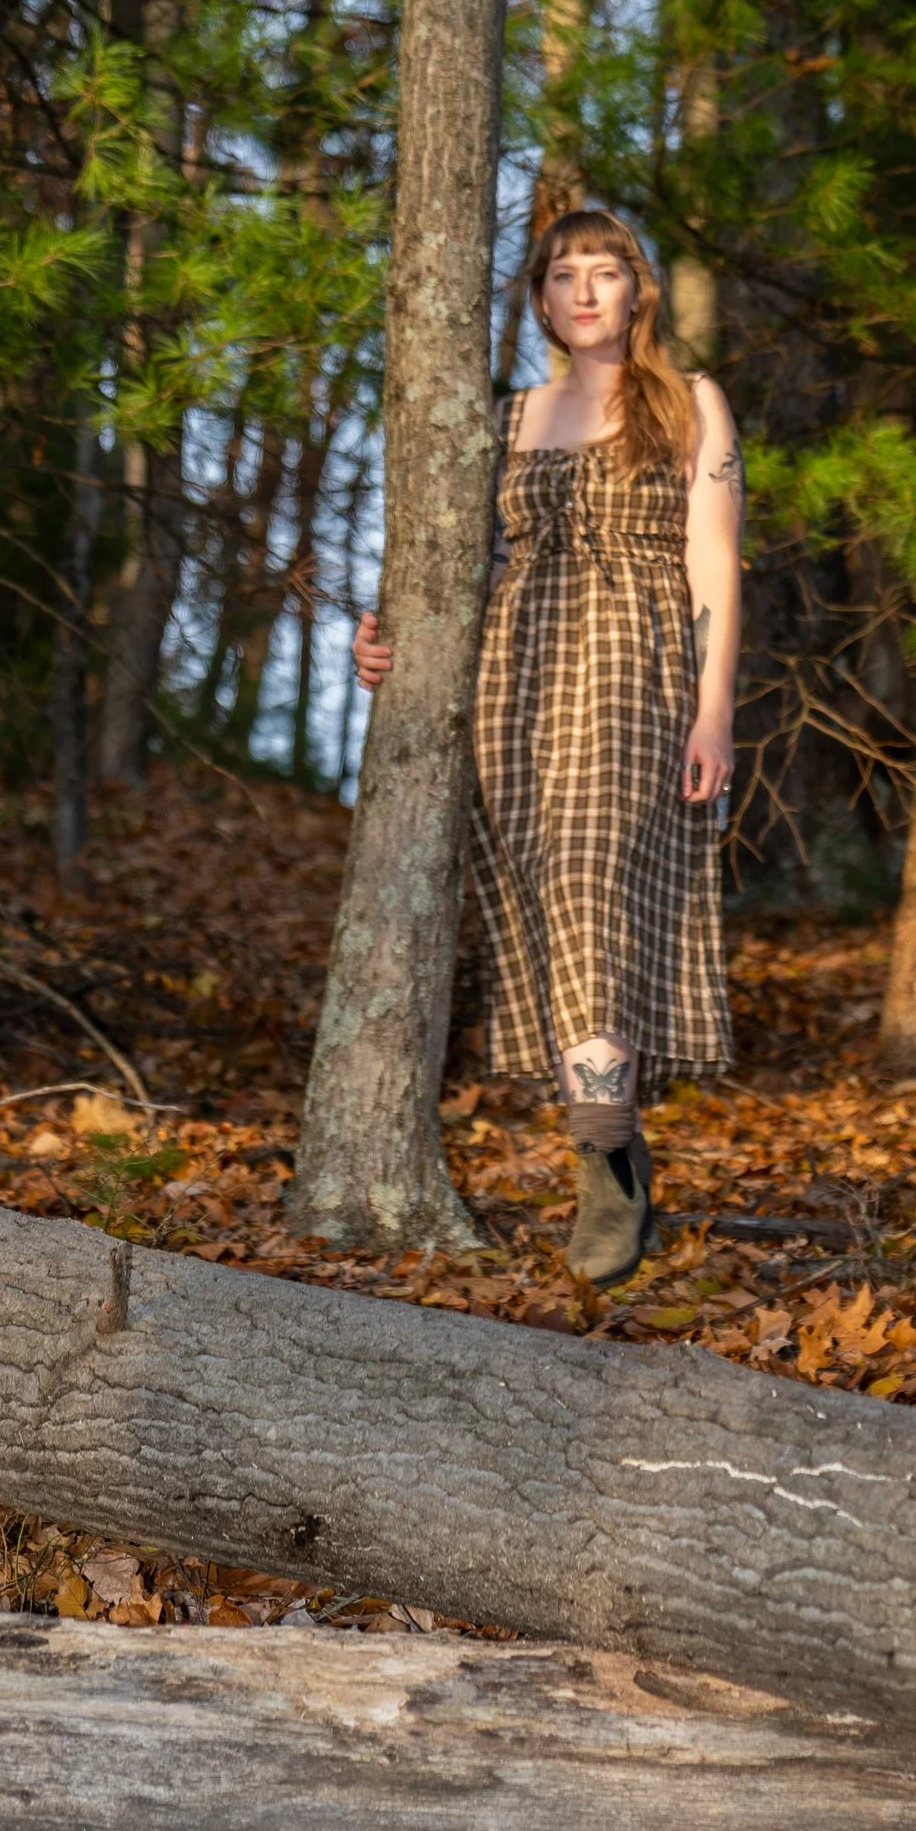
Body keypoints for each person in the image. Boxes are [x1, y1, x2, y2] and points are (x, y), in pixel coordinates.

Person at [352, 207, 740, 1284]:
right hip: (513, 677)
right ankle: (612, 1143)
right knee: (540, 901)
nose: (583, 291)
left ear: (637, 291)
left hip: (636, 663)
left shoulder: (689, 402)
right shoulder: (507, 414)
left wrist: (716, 710)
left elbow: (715, 565)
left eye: (604, 272)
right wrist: (385, 636)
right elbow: (449, 562)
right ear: (537, 301)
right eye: (562, 275)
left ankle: (603, 1158)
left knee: (585, 881)